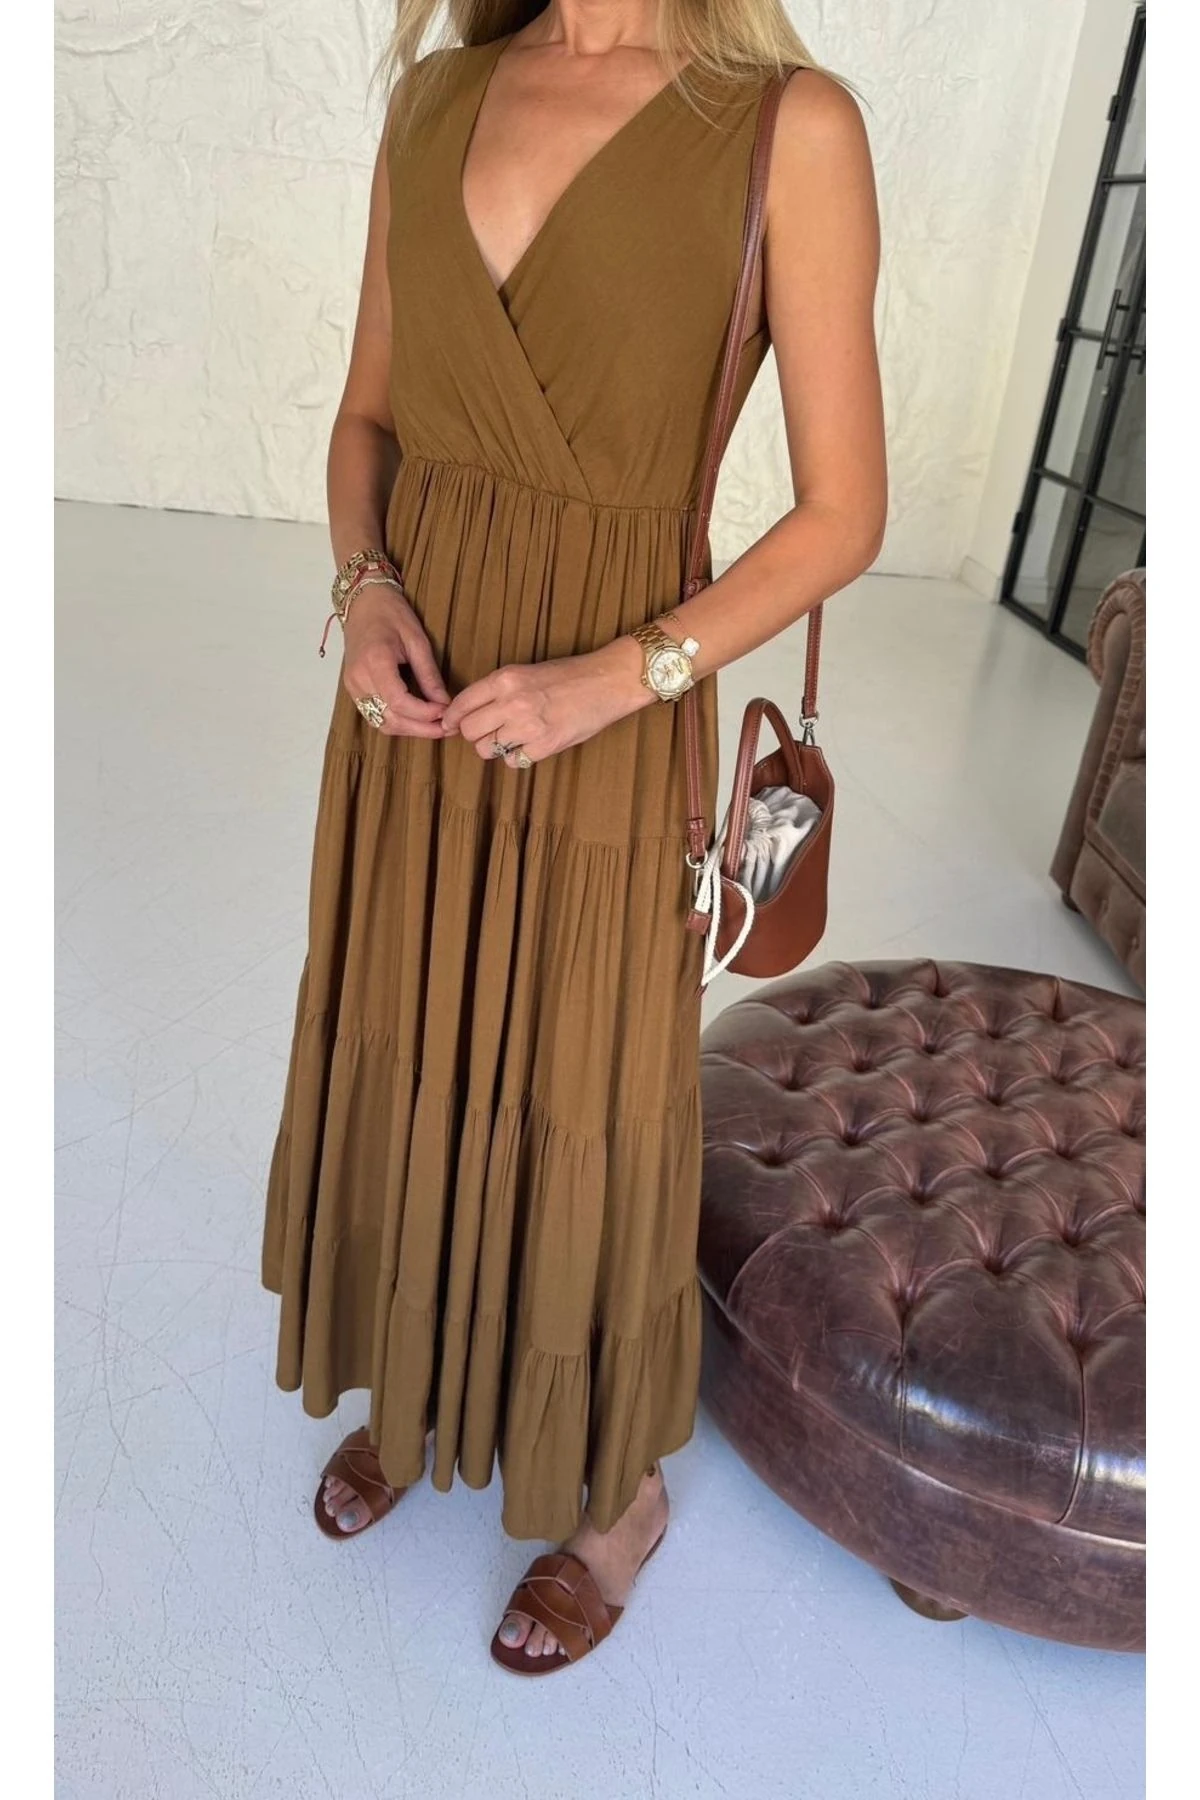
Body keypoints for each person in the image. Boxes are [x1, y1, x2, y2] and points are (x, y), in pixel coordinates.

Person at [262, 0, 886, 1676]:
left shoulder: (789, 127)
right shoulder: (437, 98)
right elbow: (366, 420)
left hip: (619, 704)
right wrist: (365, 588)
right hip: (417, 705)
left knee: (590, 1083)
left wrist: (620, 679)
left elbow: (846, 510)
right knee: (409, 1034)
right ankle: (423, 1379)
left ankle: (616, 1500)